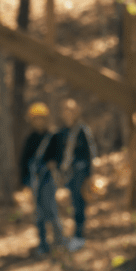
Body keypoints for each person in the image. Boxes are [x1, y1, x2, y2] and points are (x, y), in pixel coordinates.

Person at [19, 102, 68, 255]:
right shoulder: (30, 139)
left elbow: (60, 156)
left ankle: (59, 241)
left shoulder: (53, 136)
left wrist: (53, 164)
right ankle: (43, 244)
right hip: (34, 180)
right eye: (35, 118)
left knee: (51, 208)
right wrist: (24, 182)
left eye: (41, 118)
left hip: (48, 178)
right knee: (38, 212)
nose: (38, 121)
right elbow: (23, 161)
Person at [51, 99, 96, 249]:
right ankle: (65, 236)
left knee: (79, 203)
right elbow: (57, 154)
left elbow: (90, 154)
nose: (68, 114)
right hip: (65, 175)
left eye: (71, 110)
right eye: (66, 110)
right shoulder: (61, 132)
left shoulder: (81, 130)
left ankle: (79, 235)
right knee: (63, 205)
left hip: (80, 173)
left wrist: (89, 174)